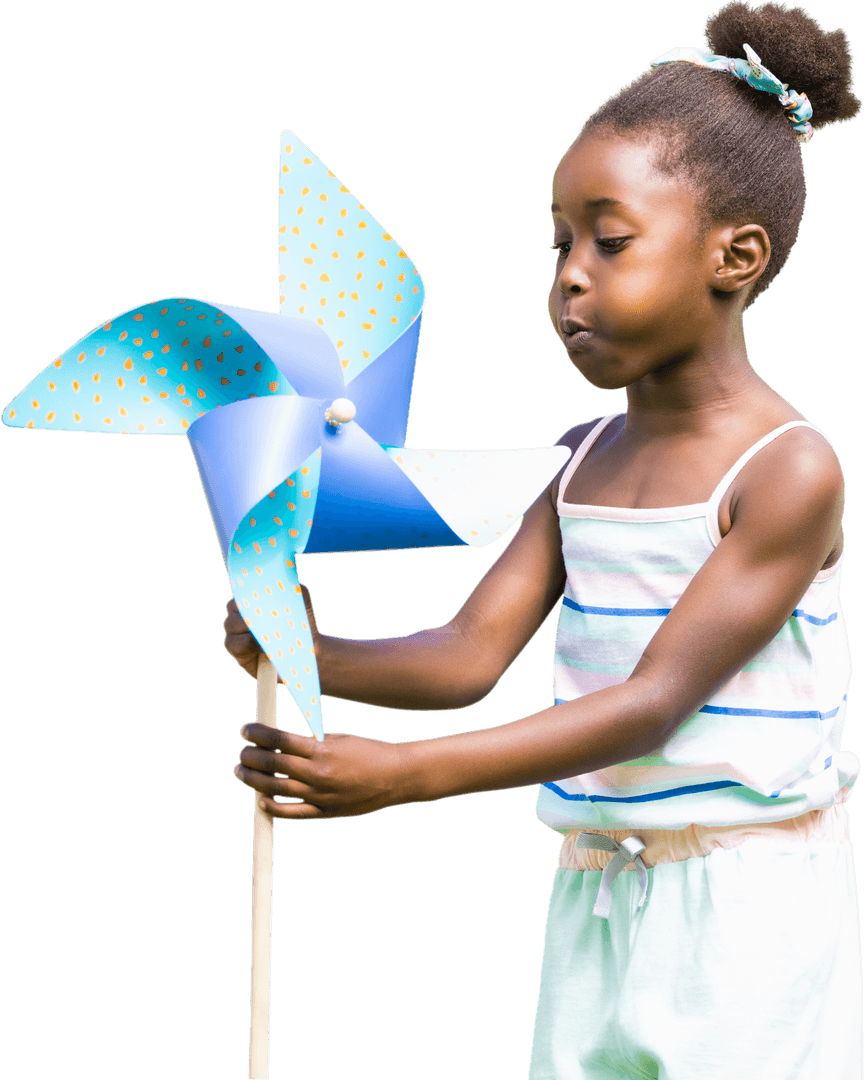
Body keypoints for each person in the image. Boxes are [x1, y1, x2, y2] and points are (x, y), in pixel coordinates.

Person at [224, 2, 862, 1075]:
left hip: (744, 908)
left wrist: (406, 778)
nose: (569, 274)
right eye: (560, 242)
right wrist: (301, 653)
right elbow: (469, 654)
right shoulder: (578, 460)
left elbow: (650, 703)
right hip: (597, 887)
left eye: (610, 241)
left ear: (735, 255)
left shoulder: (790, 471)